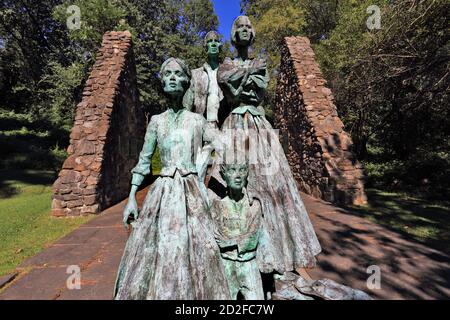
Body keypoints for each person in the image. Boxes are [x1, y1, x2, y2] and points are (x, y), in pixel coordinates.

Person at [114, 58, 230, 300]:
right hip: (164, 193)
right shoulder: (156, 122)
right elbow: (144, 161)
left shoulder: (197, 121)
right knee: (158, 248)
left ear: (187, 82)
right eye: (168, 74)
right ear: (162, 81)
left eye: (178, 74)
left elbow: (224, 145)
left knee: (198, 247)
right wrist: (132, 198)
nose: (173, 78)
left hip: (192, 193)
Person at [217, 16, 322, 275]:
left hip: (258, 124)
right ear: (233, 34)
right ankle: (236, 252)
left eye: (247, 27)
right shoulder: (226, 64)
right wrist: (244, 78)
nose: (243, 30)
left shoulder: (259, 62)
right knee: (234, 185)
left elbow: (258, 90)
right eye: (239, 27)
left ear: (252, 34)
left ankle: (278, 254)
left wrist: (240, 78)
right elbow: (230, 91)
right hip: (234, 125)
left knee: (274, 186)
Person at [211, 161, 264, 300]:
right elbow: (218, 235)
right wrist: (237, 239)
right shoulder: (217, 206)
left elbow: (253, 238)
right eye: (232, 170)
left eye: (242, 170)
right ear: (223, 175)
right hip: (226, 264)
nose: (238, 176)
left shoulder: (254, 205)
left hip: (249, 264)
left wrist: (230, 242)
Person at [186, 30, 228, 129]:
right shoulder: (195, 75)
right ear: (205, 47)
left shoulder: (227, 73)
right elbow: (187, 105)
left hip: (225, 125)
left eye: (216, 41)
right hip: (199, 126)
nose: (213, 44)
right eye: (210, 41)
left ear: (220, 46)